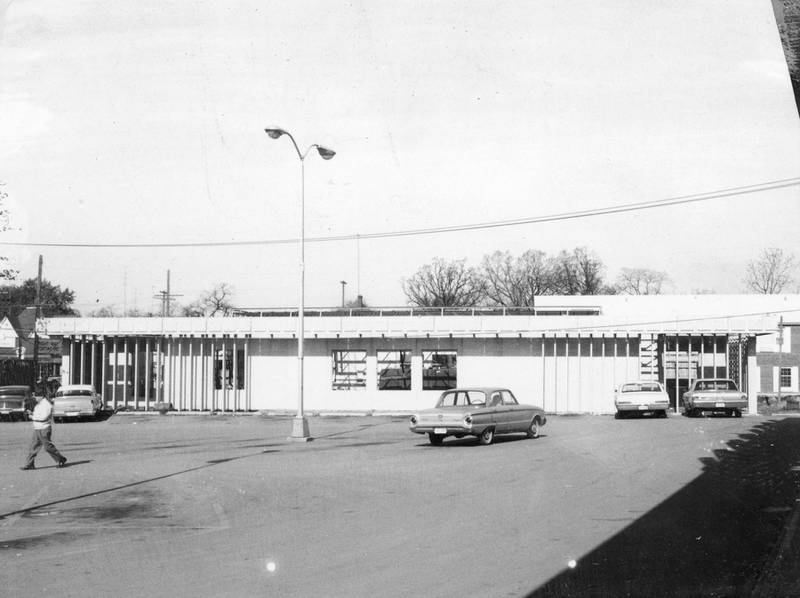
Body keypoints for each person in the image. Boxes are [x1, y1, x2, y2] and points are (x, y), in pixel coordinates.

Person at [20, 394, 67, 470]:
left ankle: (61, 459)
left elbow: (43, 417)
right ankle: (29, 464)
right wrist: (31, 413)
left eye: (36, 396)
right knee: (33, 446)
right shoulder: (38, 404)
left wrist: (32, 417)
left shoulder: (47, 405)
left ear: (41, 396)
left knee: (48, 447)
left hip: (44, 428)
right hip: (37, 428)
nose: (35, 398)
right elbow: (38, 415)